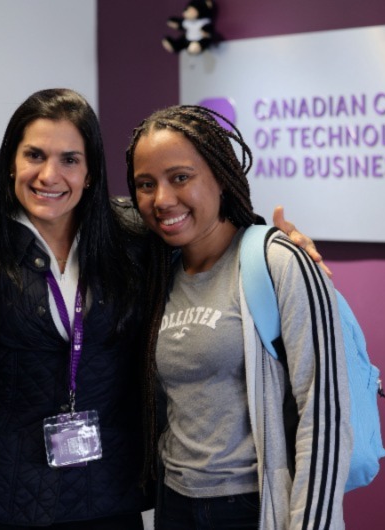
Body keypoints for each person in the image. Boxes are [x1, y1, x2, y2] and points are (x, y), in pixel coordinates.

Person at [0, 88, 329, 530]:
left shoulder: (132, 240)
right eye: (34, 155)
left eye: (70, 159)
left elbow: (207, 230)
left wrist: (280, 243)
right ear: (11, 161)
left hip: (106, 498)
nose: (50, 174)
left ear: (90, 173)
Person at [125, 105, 352, 529]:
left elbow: (325, 415)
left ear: (221, 175)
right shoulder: (160, 274)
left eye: (180, 178)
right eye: (145, 184)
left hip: (252, 507)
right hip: (174, 505)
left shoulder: (278, 262)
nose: (162, 199)